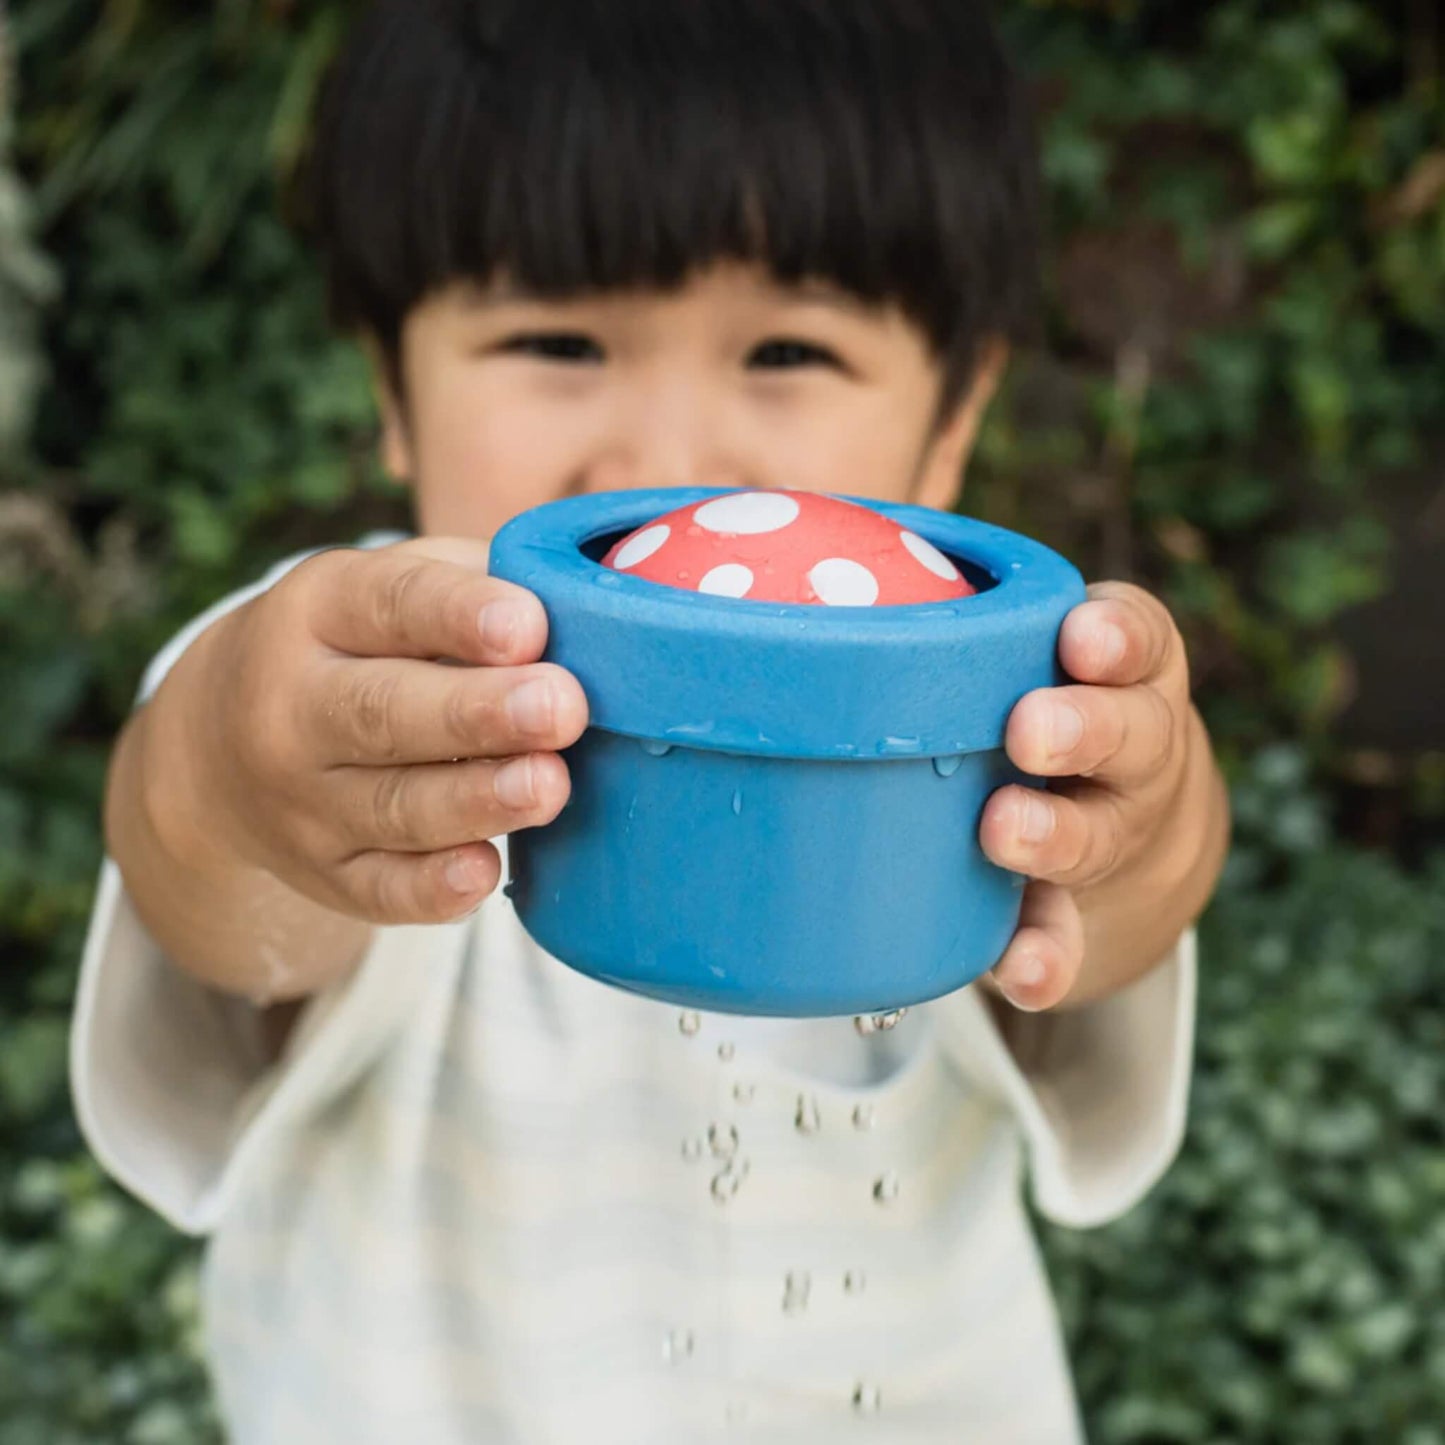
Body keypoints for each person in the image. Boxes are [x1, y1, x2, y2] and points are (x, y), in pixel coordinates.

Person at [69, 1, 1231, 1439]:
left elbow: (1107, 918)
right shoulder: (346, 685)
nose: (672, 462)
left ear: (952, 416)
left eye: (786, 355)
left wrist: (1131, 825)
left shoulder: (984, 698)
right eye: (559, 338)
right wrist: (236, 777)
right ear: (390, 388)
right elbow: (211, 872)